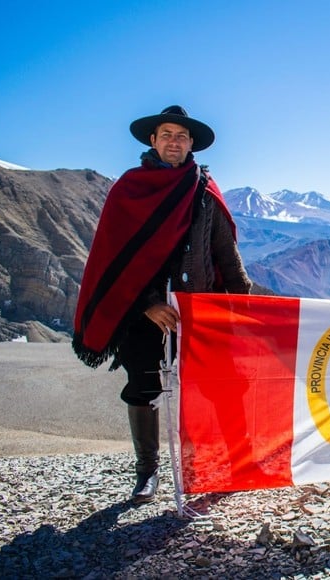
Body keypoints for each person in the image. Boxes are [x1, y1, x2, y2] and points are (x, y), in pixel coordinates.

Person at [73, 105, 253, 503]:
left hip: (201, 307)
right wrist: (149, 304)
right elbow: (115, 258)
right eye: (167, 134)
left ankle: (234, 462)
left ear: (192, 145)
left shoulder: (204, 189)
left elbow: (225, 249)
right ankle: (147, 473)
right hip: (146, 312)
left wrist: (243, 302)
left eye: (182, 136)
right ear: (153, 141)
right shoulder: (131, 190)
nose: (175, 141)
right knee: (143, 386)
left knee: (221, 384)